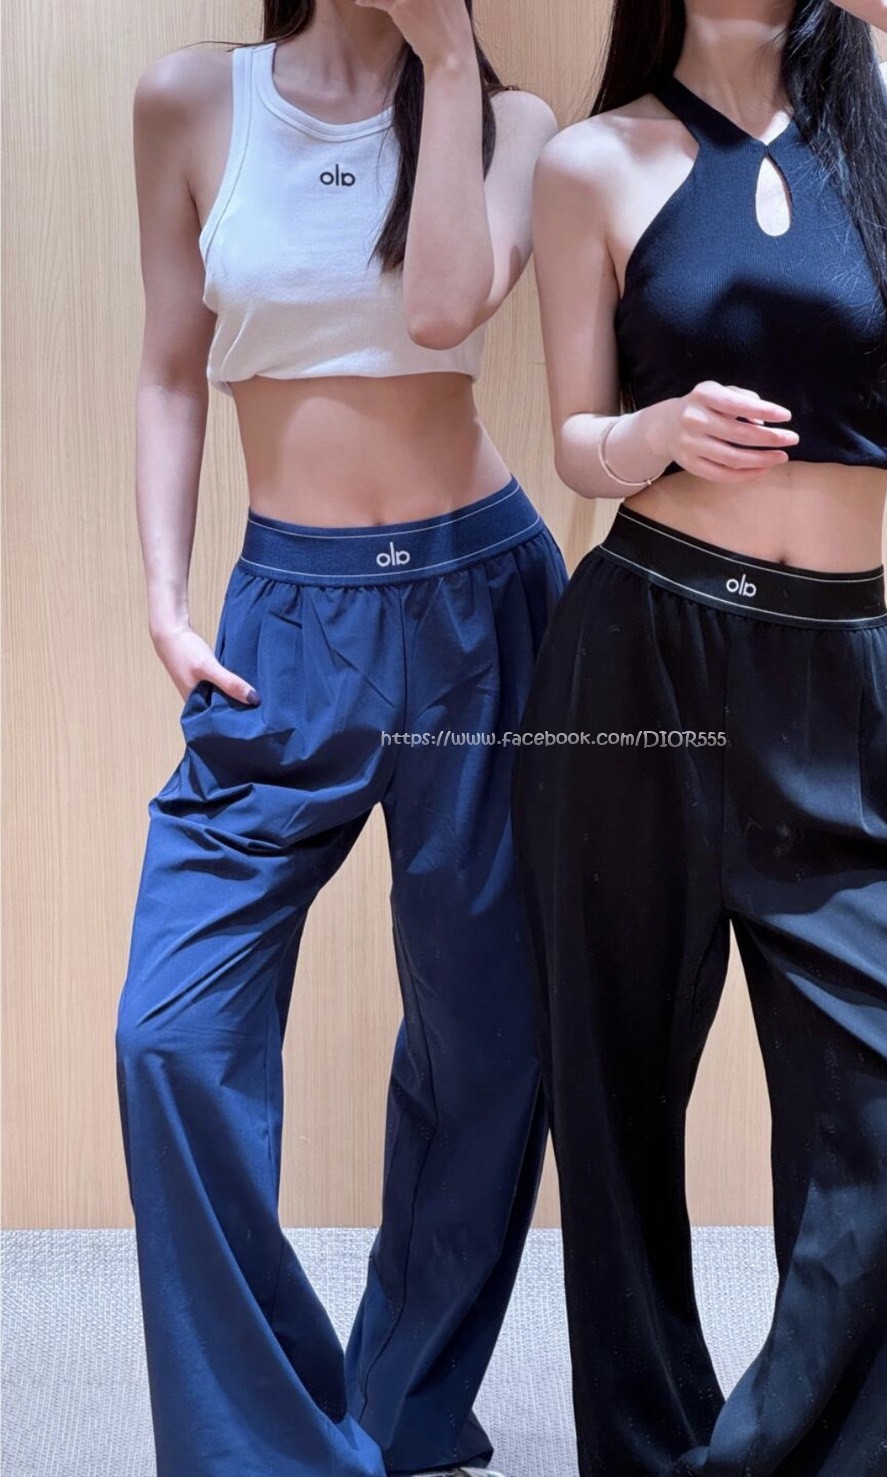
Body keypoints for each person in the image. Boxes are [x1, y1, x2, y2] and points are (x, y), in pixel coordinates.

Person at [511, 2, 887, 1474]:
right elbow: (574, 433)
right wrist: (653, 434)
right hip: (639, 653)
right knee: (616, 1110)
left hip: (835, 677)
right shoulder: (595, 160)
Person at [114, 3, 564, 1474]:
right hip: (285, 621)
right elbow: (170, 367)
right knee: (172, 1035)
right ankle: (276, 1445)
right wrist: (167, 596)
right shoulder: (191, 102)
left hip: (483, 603)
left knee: (492, 1033)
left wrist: (448, 60)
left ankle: (407, 1402)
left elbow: (442, 313)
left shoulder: (511, 124)